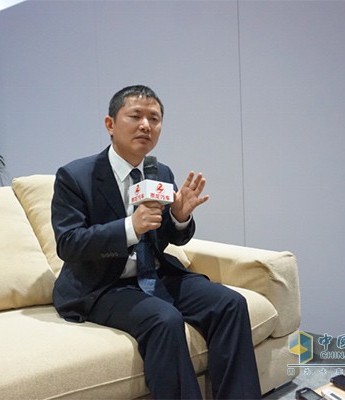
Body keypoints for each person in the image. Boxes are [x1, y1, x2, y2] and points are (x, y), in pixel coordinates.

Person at [51, 85, 261, 399]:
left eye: (154, 119)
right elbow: (68, 243)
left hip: (154, 273)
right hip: (102, 285)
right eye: (135, 116)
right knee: (165, 319)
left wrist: (179, 217)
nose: (146, 125)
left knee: (230, 304)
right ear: (110, 124)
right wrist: (129, 227)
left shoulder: (159, 172)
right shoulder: (75, 176)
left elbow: (171, 238)